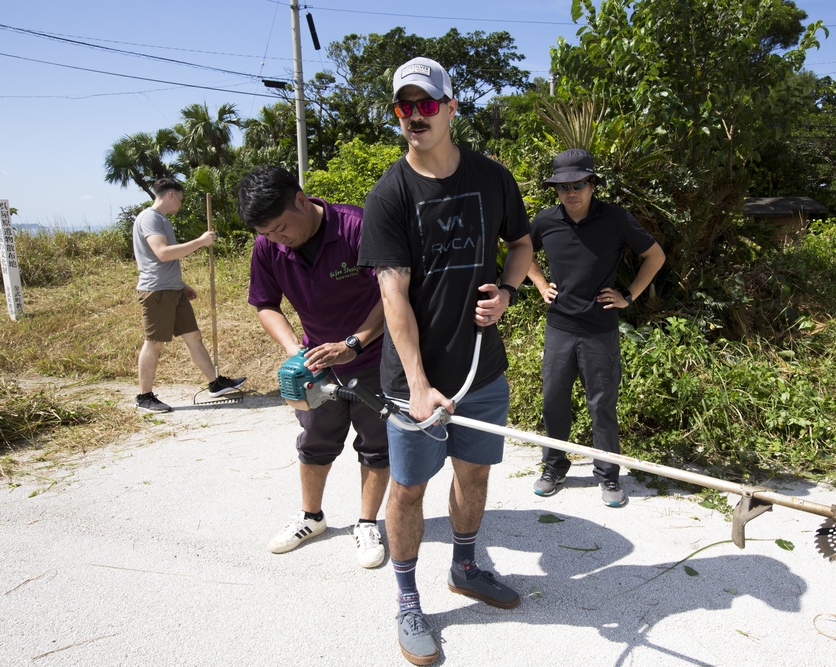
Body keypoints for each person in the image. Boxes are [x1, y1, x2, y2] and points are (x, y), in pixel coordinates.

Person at [358, 56, 534, 666]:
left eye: (426, 104)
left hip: (482, 369)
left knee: (475, 475)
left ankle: (464, 566)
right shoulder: (389, 195)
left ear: (451, 108)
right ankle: (408, 599)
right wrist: (419, 386)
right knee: (408, 491)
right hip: (416, 383)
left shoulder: (492, 178)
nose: (415, 116)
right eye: (404, 106)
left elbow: (521, 244)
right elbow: (392, 294)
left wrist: (508, 291)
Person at [238, 165, 390, 569]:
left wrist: (352, 344)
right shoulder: (266, 245)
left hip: (373, 357)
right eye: (266, 233)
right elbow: (265, 305)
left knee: (377, 444)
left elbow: (393, 293)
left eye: (280, 227)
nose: (275, 238)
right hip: (318, 364)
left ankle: (367, 522)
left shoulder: (357, 226)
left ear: (302, 201)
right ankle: (311, 517)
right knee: (314, 441)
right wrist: (295, 350)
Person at [527, 148, 665, 507]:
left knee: (602, 404)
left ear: (592, 184)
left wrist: (629, 295)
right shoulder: (545, 221)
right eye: (562, 187)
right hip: (559, 326)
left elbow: (655, 255)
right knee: (553, 401)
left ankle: (607, 475)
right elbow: (520, 252)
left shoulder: (615, 219)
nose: (571, 193)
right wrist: (541, 285)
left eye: (578, 184)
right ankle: (554, 467)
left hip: (600, 329)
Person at [132, 177, 245, 413]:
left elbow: (157, 261)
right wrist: (201, 242)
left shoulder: (161, 219)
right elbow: (162, 253)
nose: (180, 205)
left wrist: (181, 284)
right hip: (157, 292)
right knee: (154, 343)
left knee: (193, 337)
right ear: (171, 194)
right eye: (180, 199)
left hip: (172, 289)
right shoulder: (151, 217)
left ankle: (214, 383)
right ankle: (144, 397)